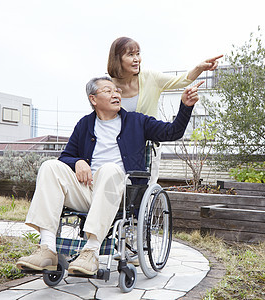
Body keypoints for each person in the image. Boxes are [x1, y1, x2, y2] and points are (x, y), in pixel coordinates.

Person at [16, 76, 203, 276]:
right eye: (108, 91)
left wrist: (185, 106)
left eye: (117, 91)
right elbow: (66, 157)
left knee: (109, 169)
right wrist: (78, 162)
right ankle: (47, 249)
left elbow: (172, 132)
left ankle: (91, 252)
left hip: (119, 194)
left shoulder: (137, 121)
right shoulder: (85, 125)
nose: (116, 94)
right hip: (88, 191)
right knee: (49, 166)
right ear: (93, 99)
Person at [107, 37, 222, 184]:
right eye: (130, 55)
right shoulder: (107, 85)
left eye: (138, 54)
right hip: (116, 148)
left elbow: (181, 80)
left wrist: (200, 68)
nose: (137, 59)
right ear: (117, 59)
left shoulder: (150, 78)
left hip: (147, 148)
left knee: (144, 190)